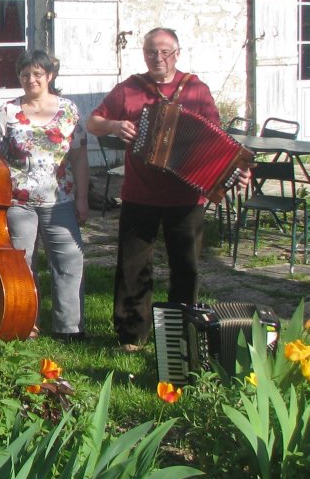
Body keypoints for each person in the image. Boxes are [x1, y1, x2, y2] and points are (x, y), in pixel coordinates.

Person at [87, 27, 248, 352]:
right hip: (139, 194)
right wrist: (114, 125)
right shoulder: (130, 88)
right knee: (132, 266)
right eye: (150, 51)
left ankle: (181, 333)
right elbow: (93, 121)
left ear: (176, 53)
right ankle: (132, 335)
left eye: (164, 52)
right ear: (144, 54)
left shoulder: (195, 89)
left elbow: (218, 139)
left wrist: (236, 171)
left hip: (185, 197)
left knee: (185, 266)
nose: (157, 57)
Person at [0, 49, 88, 341]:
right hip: (18, 202)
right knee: (22, 265)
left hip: (62, 201)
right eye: (25, 74)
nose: (31, 79)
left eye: (37, 74)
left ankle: (69, 327)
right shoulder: (8, 111)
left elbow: (80, 156)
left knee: (69, 262)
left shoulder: (69, 110)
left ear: (49, 76)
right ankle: (26, 322)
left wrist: (82, 197)